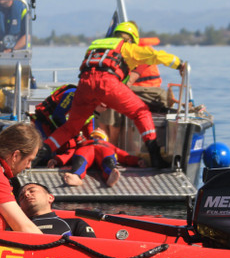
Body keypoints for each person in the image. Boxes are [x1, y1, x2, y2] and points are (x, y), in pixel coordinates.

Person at [38, 21, 186, 169]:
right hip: (107, 83)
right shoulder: (127, 47)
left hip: (84, 84)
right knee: (141, 113)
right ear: (131, 38)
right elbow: (157, 55)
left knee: (71, 127)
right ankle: (155, 156)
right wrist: (180, 65)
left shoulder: (95, 45)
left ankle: (40, 154)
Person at [98, 37, 165, 146]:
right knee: (107, 96)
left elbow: (130, 80)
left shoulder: (142, 53)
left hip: (148, 91)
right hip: (131, 90)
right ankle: (104, 144)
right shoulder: (122, 54)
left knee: (113, 98)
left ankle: (112, 145)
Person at [48, 128, 146, 187]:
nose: (98, 128)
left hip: (103, 152)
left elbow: (124, 156)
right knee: (81, 156)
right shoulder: (84, 144)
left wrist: (137, 161)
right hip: (87, 151)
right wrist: (57, 160)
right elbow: (69, 154)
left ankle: (110, 177)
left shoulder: (109, 146)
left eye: (100, 132)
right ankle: (76, 176)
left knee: (108, 157)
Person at [18, 182, 95, 237]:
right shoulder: (14, 227)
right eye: (21, 196)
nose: (26, 194)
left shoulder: (75, 224)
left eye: (32, 191)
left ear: (50, 198)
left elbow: (93, 251)